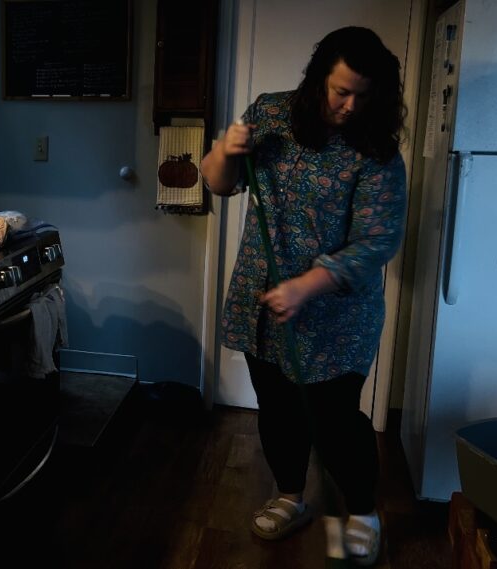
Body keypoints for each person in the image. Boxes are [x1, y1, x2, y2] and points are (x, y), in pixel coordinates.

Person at [200, 26, 407, 566]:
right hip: (262, 298)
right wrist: (226, 149)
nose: (349, 105)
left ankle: (361, 511)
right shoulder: (270, 114)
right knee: (279, 409)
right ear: (319, 79)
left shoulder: (377, 152)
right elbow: (221, 184)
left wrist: (306, 286)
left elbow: (377, 240)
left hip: (336, 313)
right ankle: (291, 495)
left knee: (336, 420)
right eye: (341, 90)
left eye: (363, 95)